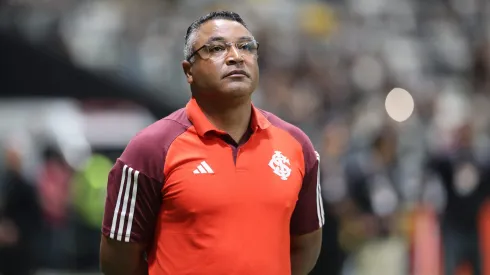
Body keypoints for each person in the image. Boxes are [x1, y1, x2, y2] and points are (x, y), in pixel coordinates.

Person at [100, 11, 324, 275]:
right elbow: (118, 262)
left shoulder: (296, 145)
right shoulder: (150, 149)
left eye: (246, 47)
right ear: (188, 71)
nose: (235, 56)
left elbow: (305, 245)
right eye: (216, 48)